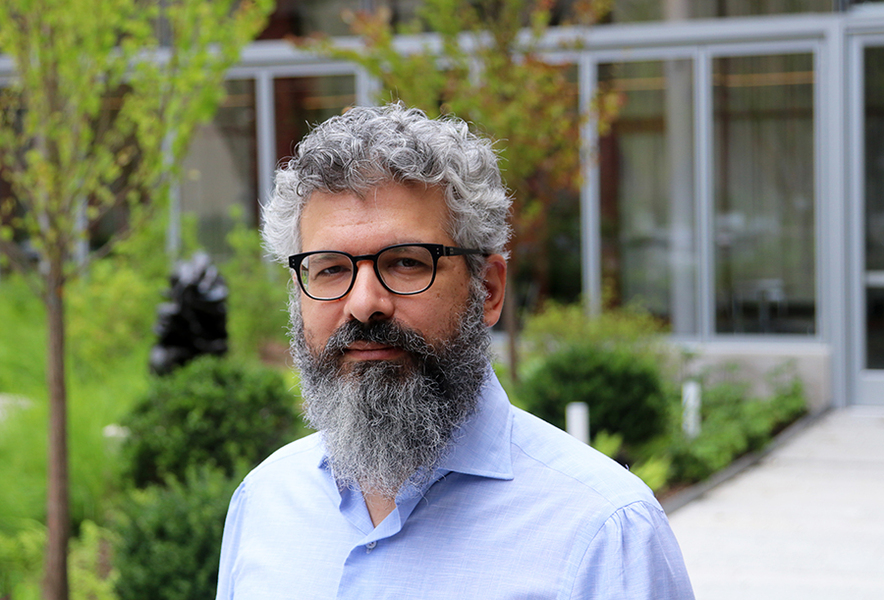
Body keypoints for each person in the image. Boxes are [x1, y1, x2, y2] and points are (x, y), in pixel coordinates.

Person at [215, 103, 694, 599]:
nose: (363, 305)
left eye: (405, 262)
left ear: (487, 289)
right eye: (330, 269)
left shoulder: (604, 533)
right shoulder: (264, 504)